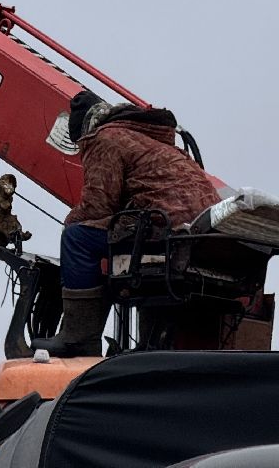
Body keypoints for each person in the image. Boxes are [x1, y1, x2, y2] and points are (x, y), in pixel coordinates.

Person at [34, 91, 219, 357]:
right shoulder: (155, 141)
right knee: (124, 237)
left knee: (77, 237)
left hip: (170, 233)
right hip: (202, 235)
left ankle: (79, 337)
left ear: (85, 130)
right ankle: (152, 340)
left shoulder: (105, 138)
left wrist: (69, 221)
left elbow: (97, 206)